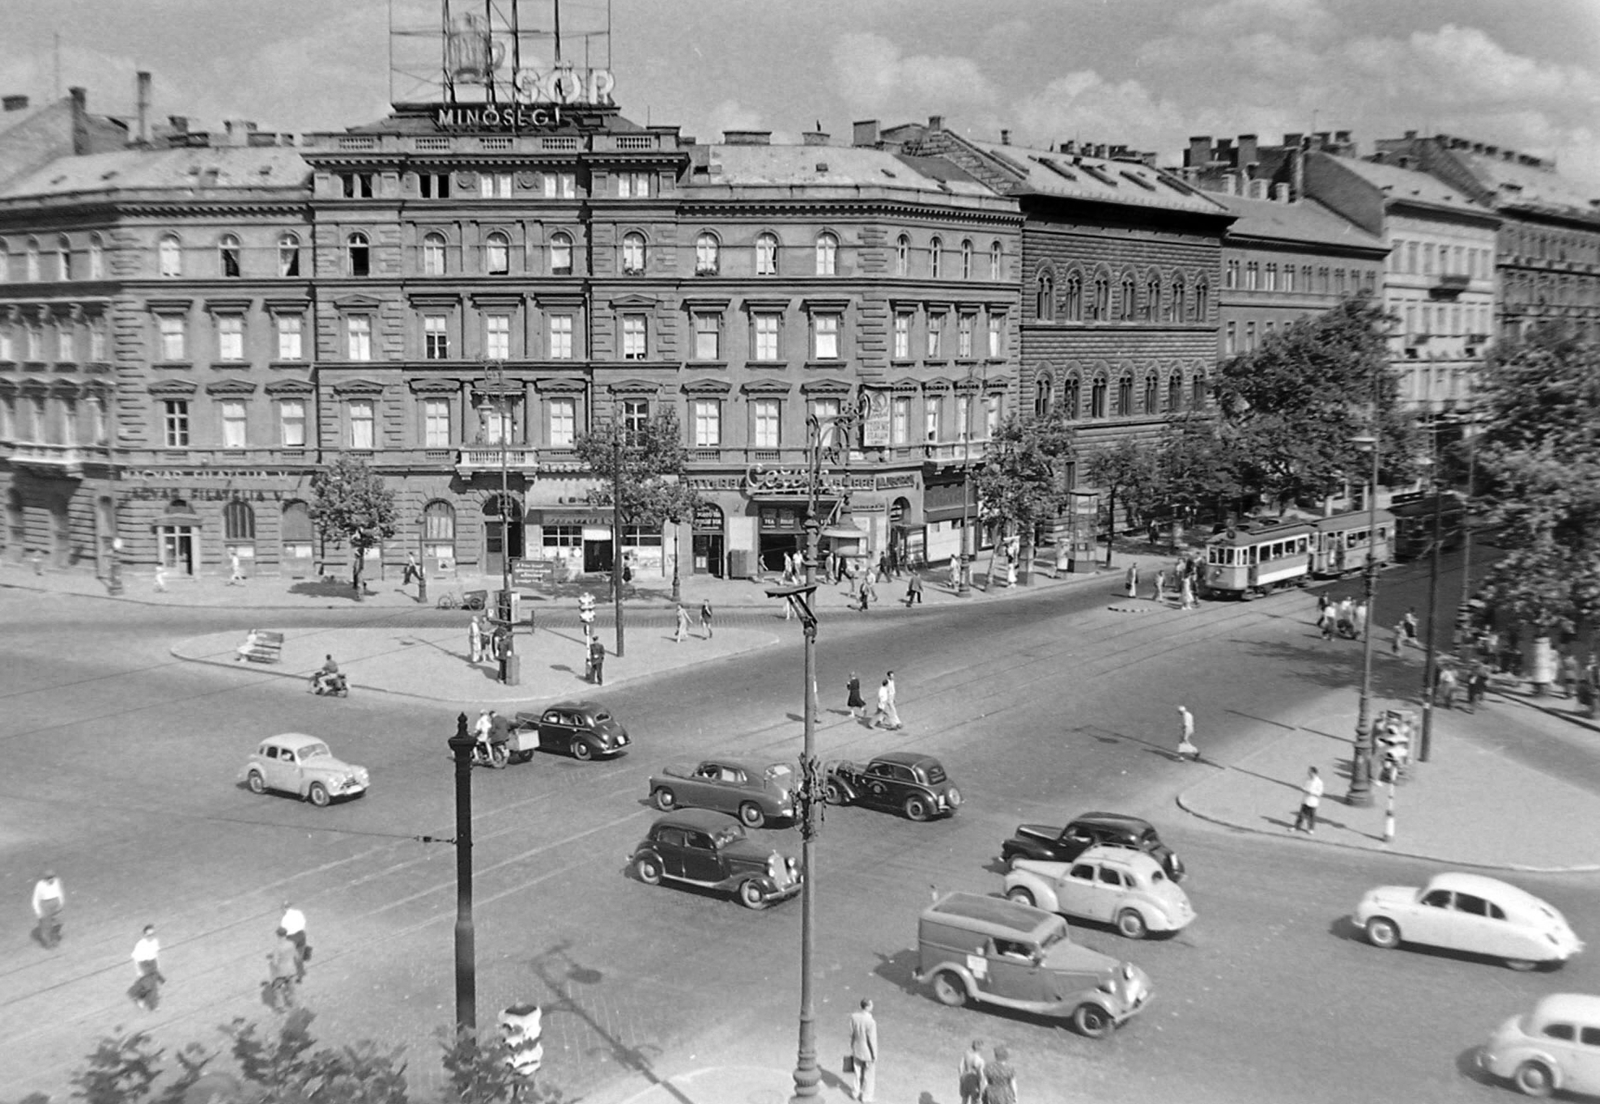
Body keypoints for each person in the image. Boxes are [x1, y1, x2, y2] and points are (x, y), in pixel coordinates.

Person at [848, 998, 878, 1103]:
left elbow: (851, 1034)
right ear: (868, 1007)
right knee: (868, 1075)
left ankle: (855, 1092)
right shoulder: (871, 1022)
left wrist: (852, 1046)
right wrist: (874, 1054)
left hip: (857, 1048)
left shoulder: (854, 1017)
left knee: (857, 1072)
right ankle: (866, 1097)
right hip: (868, 1052)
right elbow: (872, 1040)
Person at [129, 924, 163, 1010]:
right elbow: (135, 958)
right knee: (148, 984)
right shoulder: (140, 945)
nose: (151, 937)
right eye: (149, 935)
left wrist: (158, 965)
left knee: (152, 983)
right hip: (143, 964)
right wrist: (139, 971)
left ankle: (147, 1000)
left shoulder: (155, 942)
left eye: (152, 934)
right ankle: (148, 1002)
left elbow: (155, 954)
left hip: (152, 963)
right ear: (144, 935)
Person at [267, 927, 300, 1011]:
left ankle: (280, 1006)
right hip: (291, 970)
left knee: (277, 989)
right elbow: (297, 956)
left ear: (278, 935)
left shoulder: (277, 947)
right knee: (291, 988)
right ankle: (293, 1003)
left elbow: (275, 962)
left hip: (281, 972)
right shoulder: (291, 944)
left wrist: (272, 964)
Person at [32, 870, 64, 948]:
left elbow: (60, 892)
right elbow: (35, 899)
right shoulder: (40, 885)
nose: (51, 880)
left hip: (55, 902)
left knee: (55, 923)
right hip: (45, 904)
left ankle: (54, 940)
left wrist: (61, 903)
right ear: (45, 879)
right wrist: (38, 911)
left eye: (52, 878)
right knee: (46, 924)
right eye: (49, 878)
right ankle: (48, 943)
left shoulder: (57, 882)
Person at [279, 901, 308, 980]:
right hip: (301, 935)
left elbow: (284, 931)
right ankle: (300, 971)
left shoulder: (285, 919)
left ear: (284, 909)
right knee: (300, 954)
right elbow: (303, 922)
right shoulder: (298, 913)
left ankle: (287, 975)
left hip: (292, 938)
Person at [1292, 766, 1322, 834]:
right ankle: (1297, 826)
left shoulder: (1319, 782)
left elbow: (1319, 793)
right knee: (1301, 814)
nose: (1308, 773)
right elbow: (1305, 788)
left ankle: (1311, 828)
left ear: (1314, 773)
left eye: (1310, 772)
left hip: (1313, 802)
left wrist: (1311, 792)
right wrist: (1303, 789)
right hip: (1305, 800)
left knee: (1311, 816)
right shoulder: (1308, 780)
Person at [958, 1039, 987, 1104]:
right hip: (974, 1080)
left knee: (964, 1099)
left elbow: (960, 1067)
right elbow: (980, 1073)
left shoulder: (966, 1053)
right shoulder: (979, 1060)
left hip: (965, 1077)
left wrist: (961, 1077)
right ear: (981, 1048)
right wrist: (982, 1084)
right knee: (974, 1100)